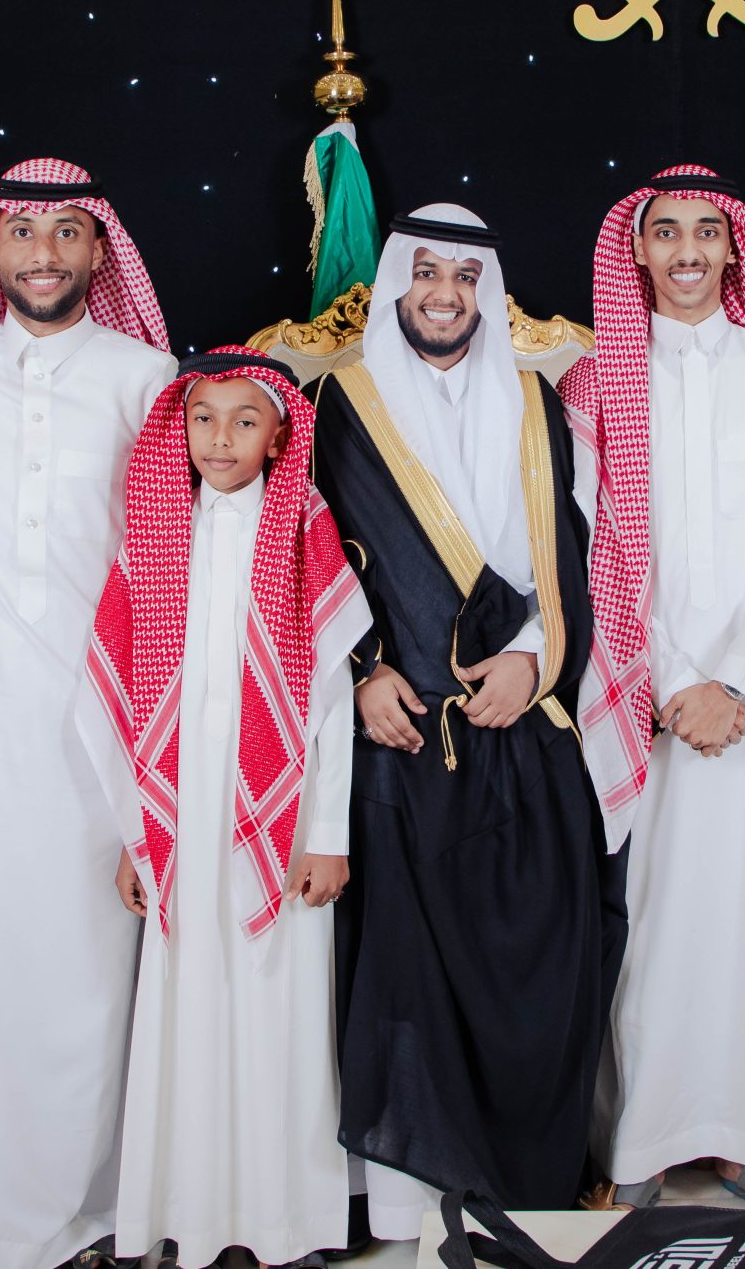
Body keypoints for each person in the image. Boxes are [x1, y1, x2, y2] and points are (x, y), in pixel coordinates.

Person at [0, 159, 175, 1269]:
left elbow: (169, 565)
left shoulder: (146, 377)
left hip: (98, 727)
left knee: (89, 968)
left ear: (100, 248)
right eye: (21, 232)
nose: (43, 254)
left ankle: (92, 1210)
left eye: (65, 232)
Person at [312, 205, 615, 1241]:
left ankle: (527, 1185)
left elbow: (569, 550)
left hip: (523, 716)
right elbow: (311, 552)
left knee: (545, 955)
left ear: (486, 289)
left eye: (464, 275)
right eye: (426, 271)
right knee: (408, 970)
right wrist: (363, 674)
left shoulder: (534, 401)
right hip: (402, 733)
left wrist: (531, 656)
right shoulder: (342, 403)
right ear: (399, 280)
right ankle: (407, 1202)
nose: (444, 293)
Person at [560, 167, 745, 1209]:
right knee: (654, 917)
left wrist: (737, 681)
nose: (685, 251)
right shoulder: (594, 383)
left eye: (704, 232)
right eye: (664, 232)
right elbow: (594, 547)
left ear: (731, 248)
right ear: (636, 250)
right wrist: (677, 681)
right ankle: (639, 1145)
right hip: (641, 691)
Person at [82, 351, 371, 1269]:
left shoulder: (306, 529)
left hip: (281, 818)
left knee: (279, 1006)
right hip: (181, 813)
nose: (220, 438)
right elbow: (127, 698)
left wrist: (326, 833)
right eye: (204, 418)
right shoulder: (157, 534)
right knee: (186, 1007)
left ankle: (284, 1224)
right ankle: (189, 1216)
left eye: (245, 421)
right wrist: (136, 833)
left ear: (279, 435)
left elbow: (330, 698)